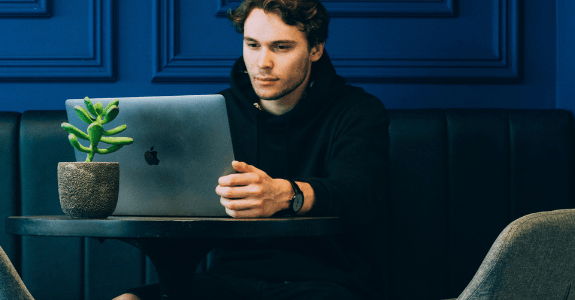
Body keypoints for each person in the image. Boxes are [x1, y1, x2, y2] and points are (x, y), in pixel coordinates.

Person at [115, 0, 389, 299]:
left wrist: (285, 194)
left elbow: (359, 190)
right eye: (253, 44)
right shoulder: (216, 112)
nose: (262, 62)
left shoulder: (357, 110)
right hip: (229, 279)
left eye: (281, 47)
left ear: (315, 49)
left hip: (326, 282)